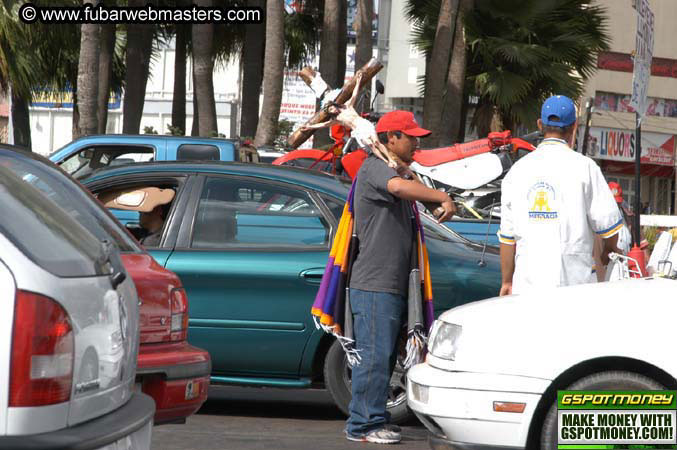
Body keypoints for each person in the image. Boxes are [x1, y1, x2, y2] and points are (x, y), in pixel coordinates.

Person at [345, 110, 456, 444]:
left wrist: (414, 176)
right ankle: (361, 425)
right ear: (391, 137)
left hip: (391, 282)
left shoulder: (394, 168)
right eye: (411, 137)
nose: (416, 143)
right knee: (374, 357)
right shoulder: (375, 168)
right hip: (374, 282)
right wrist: (441, 196)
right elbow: (398, 187)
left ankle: (374, 417)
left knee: (384, 358)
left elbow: (406, 184)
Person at [498, 95, 622, 295]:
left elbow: (507, 238)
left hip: (527, 288)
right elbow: (608, 226)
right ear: (574, 126)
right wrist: (609, 249)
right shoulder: (586, 168)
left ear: (540, 124)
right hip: (574, 287)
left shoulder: (517, 171)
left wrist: (506, 281)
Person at [300, 72, 398, 169]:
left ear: (335, 105)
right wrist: (309, 126)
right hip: (357, 131)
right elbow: (325, 124)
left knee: (376, 143)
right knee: (371, 145)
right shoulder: (337, 119)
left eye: (332, 107)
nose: (332, 109)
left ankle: (390, 159)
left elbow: (354, 95)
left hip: (363, 125)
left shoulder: (348, 107)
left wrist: (358, 81)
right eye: (330, 110)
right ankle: (385, 162)